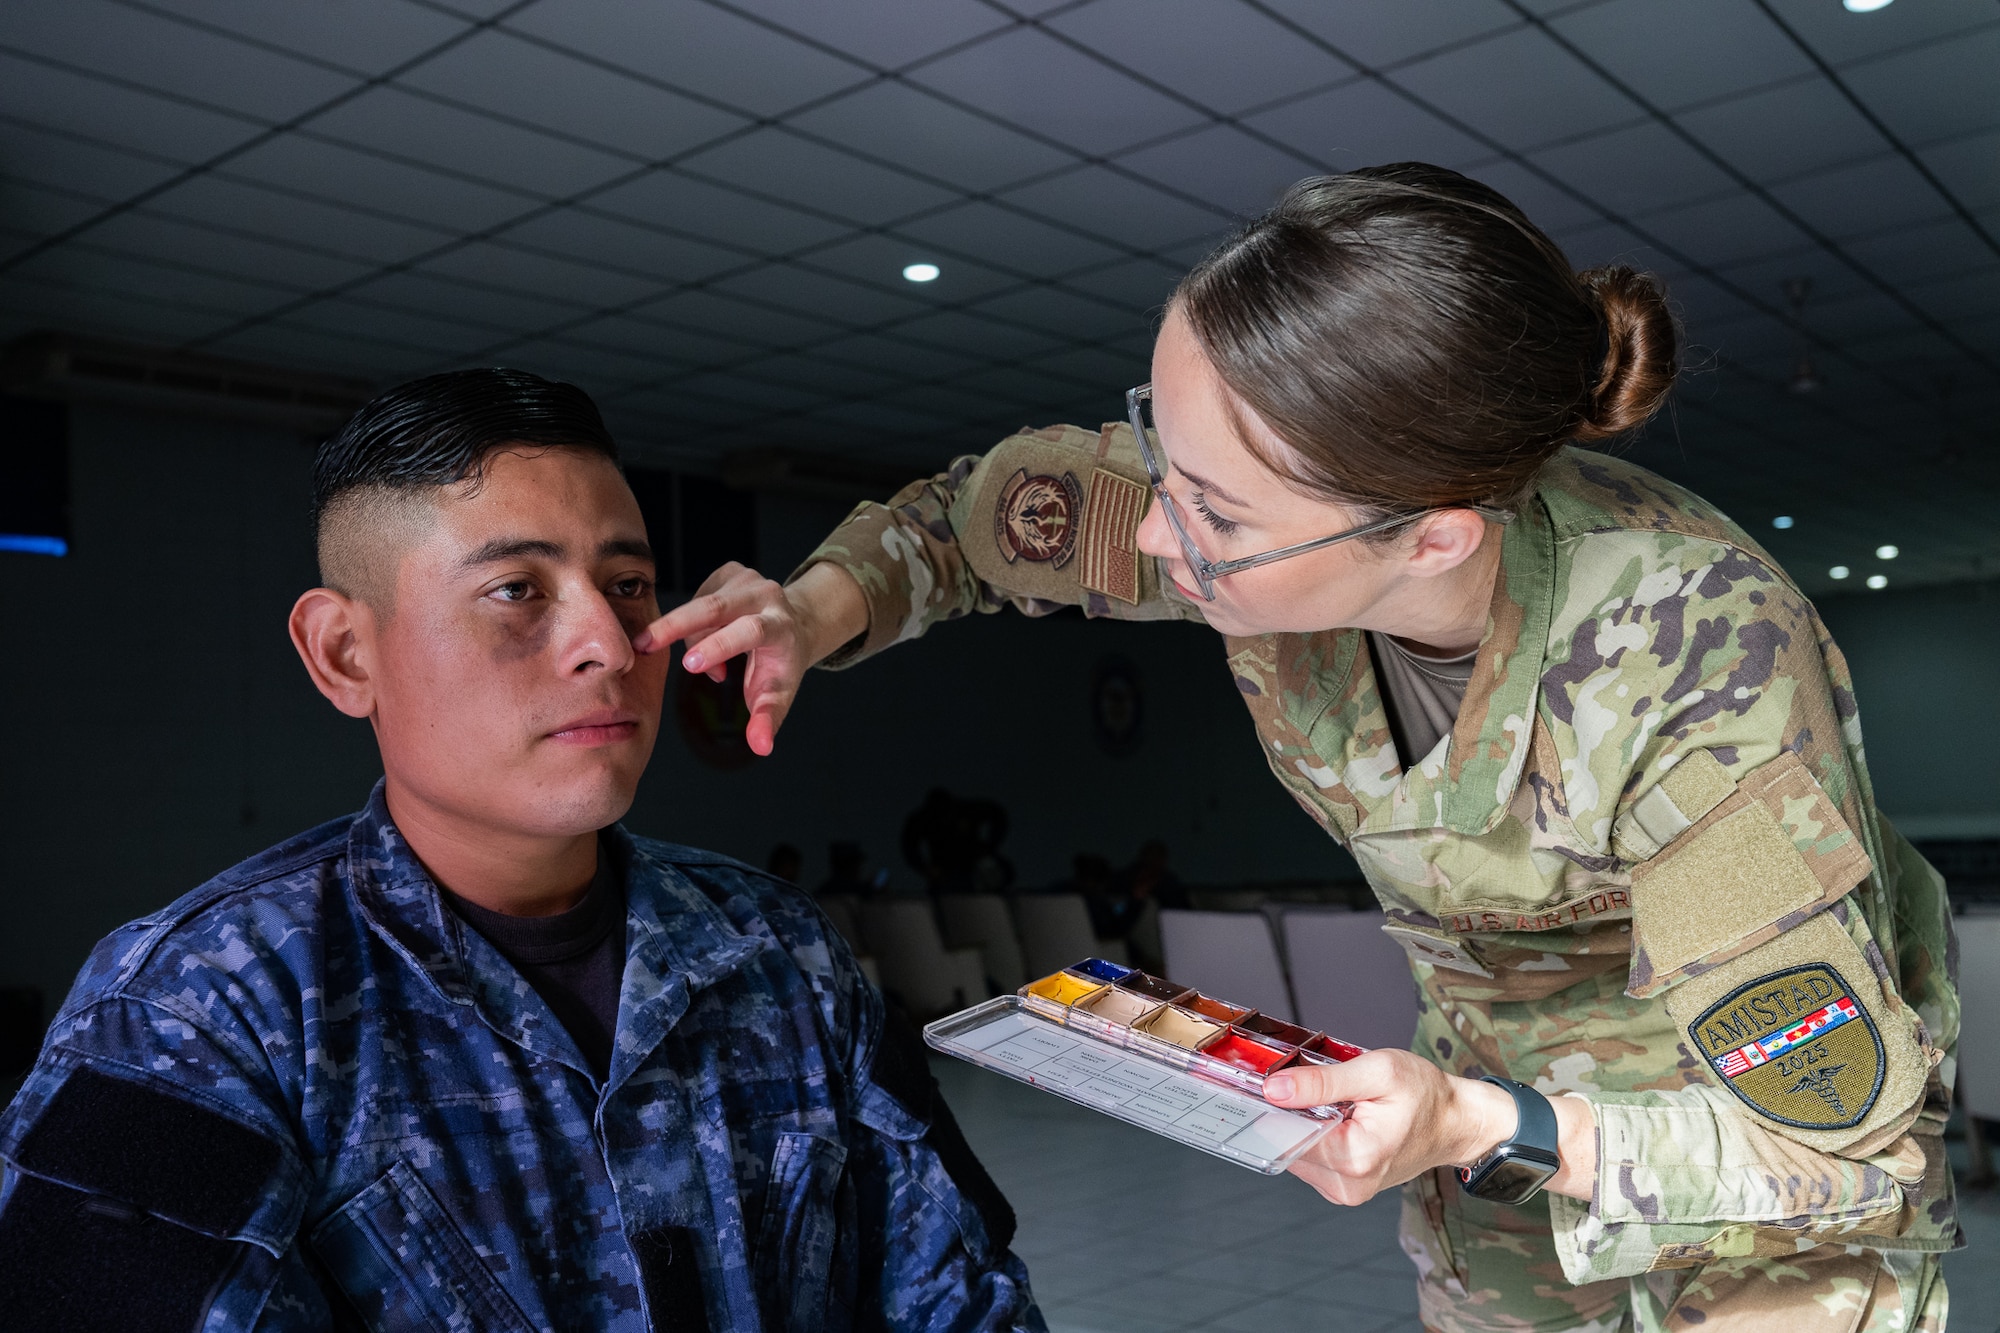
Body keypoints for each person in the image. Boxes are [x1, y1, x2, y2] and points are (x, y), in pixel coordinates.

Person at [639, 165, 1959, 1330]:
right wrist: (809, 610)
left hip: (1750, 1161)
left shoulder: (1698, 674)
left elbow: (1843, 1152)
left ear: (1436, 536)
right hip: (1493, 1116)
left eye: (1211, 512)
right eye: (1165, 458)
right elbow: (970, 528)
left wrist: (1489, 1124)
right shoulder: (1249, 505)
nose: (1159, 538)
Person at [0, 370, 1042, 1333]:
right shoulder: (200, 1014)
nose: (605, 641)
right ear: (344, 652)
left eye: (629, 583)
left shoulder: (781, 953)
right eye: (516, 590)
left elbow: (965, 1299)